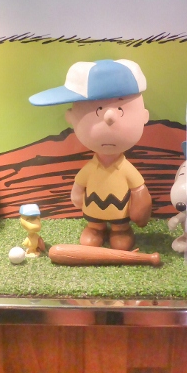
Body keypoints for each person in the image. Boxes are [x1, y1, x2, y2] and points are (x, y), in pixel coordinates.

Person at [30, 59, 152, 250]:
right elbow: (80, 184)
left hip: (120, 213)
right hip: (93, 210)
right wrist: (77, 195)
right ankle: (95, 229)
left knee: (121, 233)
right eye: (98, 110)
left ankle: (121, 231)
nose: (109, 118)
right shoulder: (90, 168)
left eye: (121, 109)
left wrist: (141, 206)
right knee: (93, 226)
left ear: (144, 117)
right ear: (71, 118)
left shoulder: (126, 169)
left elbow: (138, 188)